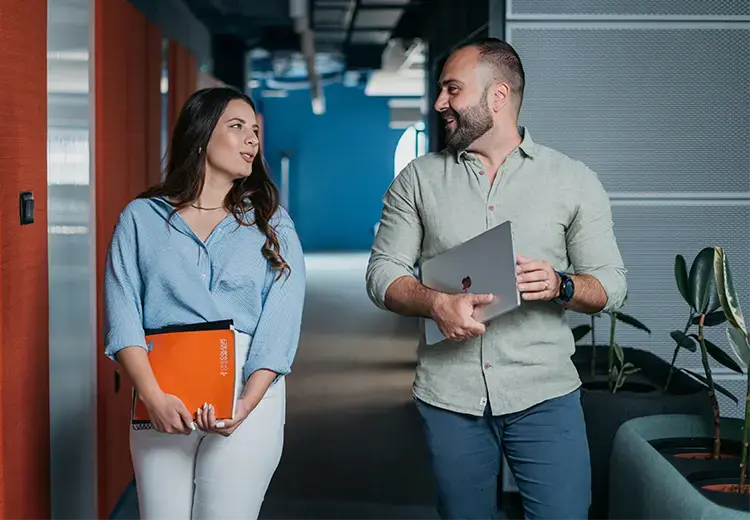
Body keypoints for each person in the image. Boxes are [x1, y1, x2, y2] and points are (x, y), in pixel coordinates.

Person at [366, 37, 627, 520]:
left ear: (498, 96)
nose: (439, 103)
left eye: (452, 90)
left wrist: (561, 285)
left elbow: (611, 285)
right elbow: (382, 273)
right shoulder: (418, 180)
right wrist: (434, 303)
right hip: (450, 395)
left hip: (544, 393)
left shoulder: (574, 180)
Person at [103, 87, 306, 520]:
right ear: (200, 135)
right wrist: (153, 397)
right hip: (162, 394)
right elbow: (123, 319)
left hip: (247, 395)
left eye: (255, 130)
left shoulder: (272, 222)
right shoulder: (141, 218)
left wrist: (246, 405)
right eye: (237, 127)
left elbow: (280, 325)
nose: (252, 140)